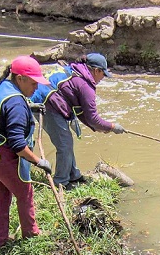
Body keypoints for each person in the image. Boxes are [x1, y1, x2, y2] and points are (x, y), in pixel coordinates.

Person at [0, 57, 51, 251]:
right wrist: (39, 161)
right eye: (33, 83)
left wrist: (30, 106)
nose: (36, 88)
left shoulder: (2, 87)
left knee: (2, 195)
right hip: (2, 156)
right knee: (25, 193)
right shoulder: (16, 103)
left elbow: (4, 113)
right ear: (20, 79)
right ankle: (31, 234)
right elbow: (18, 145)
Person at [33, 53, 124, 188]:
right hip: (45, 104)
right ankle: (61, 182)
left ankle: (73, 175)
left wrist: (99, 127)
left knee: (67, 141)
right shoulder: (84, 85)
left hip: (45, 98)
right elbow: (92, 117)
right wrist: (111, 126)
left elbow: (83, 113)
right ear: (96, 70)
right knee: (64, 144)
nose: (102, 78)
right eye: (103, 74)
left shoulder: (76, 71)